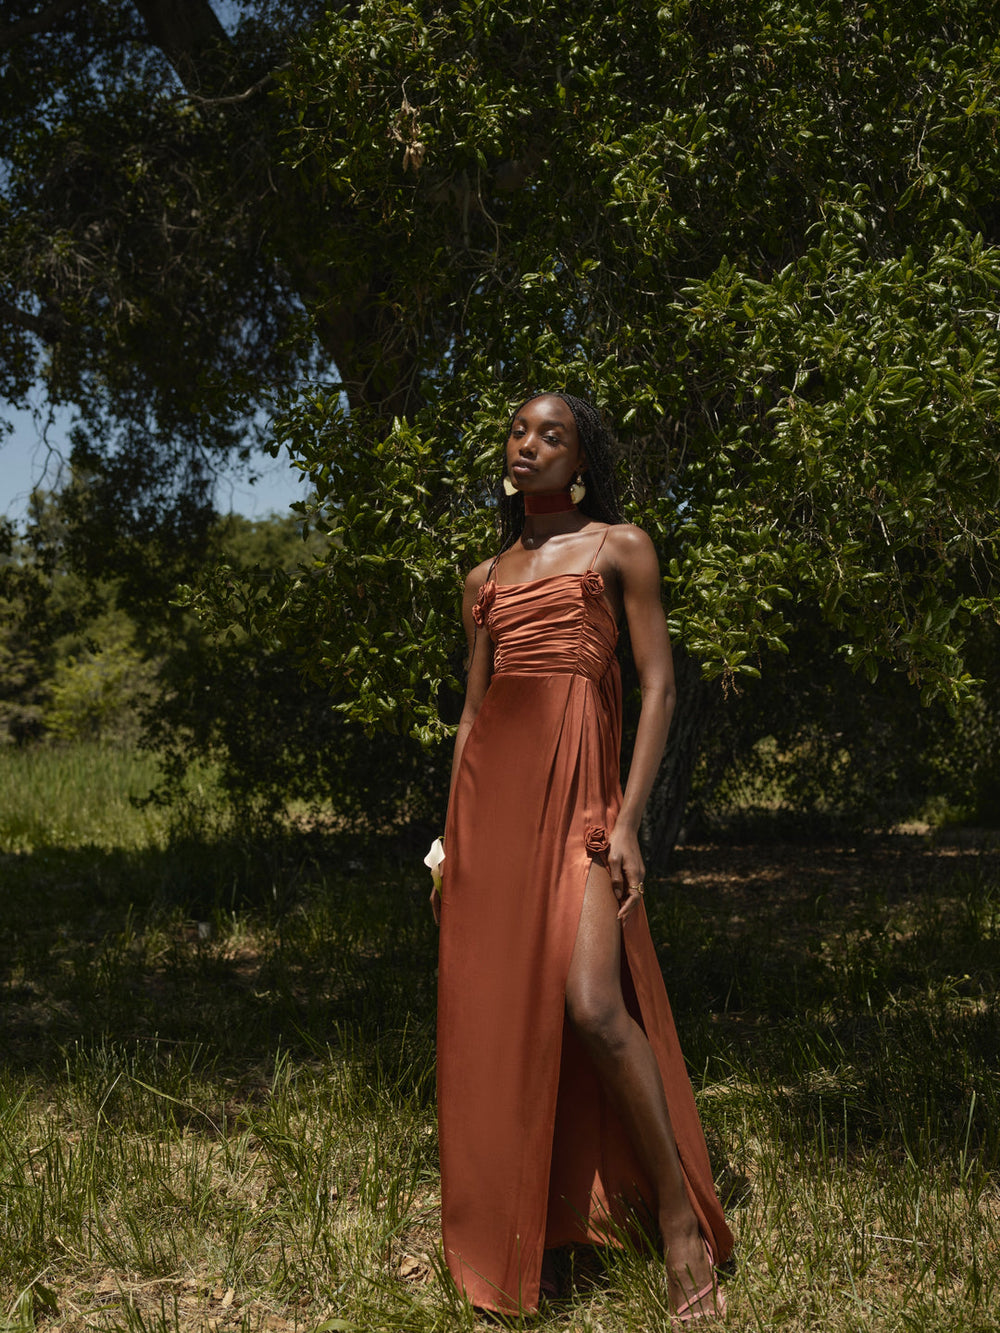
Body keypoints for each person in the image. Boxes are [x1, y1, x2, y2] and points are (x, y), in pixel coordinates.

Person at [432, 392, 733, 1319]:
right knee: (505, 1020)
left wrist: (631, 817)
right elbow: (475, 715)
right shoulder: (483, 574)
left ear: (582, 458)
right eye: (518, 431)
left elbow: (657, 686)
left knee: (595, 1006)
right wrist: (450, 840)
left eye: (550, 435)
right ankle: (540, 1233)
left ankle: (681, 1222)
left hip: (583, 808)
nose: (528, 445)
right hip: (492, 815)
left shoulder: (621, 547)